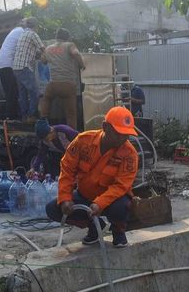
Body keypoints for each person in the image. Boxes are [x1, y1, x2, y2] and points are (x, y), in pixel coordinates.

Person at [44, 106, 140, 248]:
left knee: (121, 208)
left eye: (126, 135)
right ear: (105, 127)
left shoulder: (129, 154)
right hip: (85, 195)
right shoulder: (83, 141)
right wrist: (65, 197)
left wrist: (100, 203)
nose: (123, 139)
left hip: (112, 199)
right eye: (119, 134)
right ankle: (95, 227)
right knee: (53, 209)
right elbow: (67, 169)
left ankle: (118, 230)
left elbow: (121, 185)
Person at [0, 18, 44, 120]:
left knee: (16, 93)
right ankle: (25, 115)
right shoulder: (23, 32)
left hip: (8, 64)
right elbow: (36, 48)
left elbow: (25, 50)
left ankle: (19, 116)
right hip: (8, 64)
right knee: (17, 92)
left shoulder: (16, 31)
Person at [39, 28, 85, 130]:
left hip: (53, 85)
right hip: (68, 85)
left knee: (46, 99)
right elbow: (76, 53)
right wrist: (82, 65)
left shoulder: (48, 48)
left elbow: (43, 61)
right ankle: (71, 136)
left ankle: (42, 123)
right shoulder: (69, 45)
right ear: (67, 37)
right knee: (71, 114)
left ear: (56, 37)